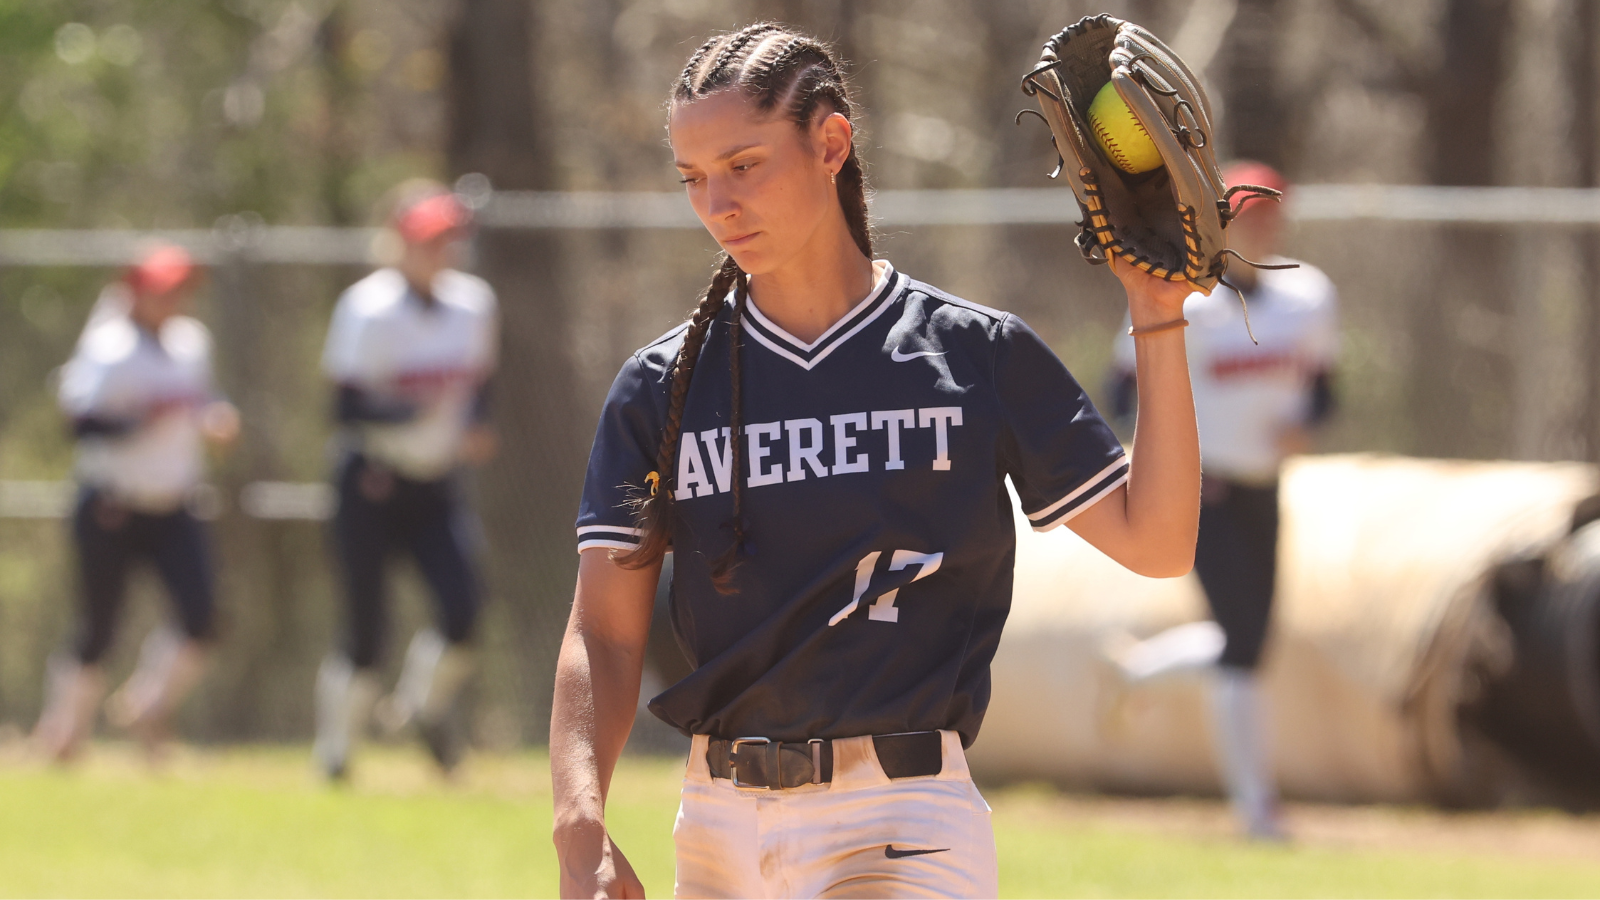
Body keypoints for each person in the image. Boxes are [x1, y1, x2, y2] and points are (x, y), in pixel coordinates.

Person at [551, 24, 1200, 899]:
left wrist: (1158, 316)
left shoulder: (973, 355)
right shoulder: (663, 387)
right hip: (719, 827)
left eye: (744, 164)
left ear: (830, 143)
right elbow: (606, 632)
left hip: (903, 821)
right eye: (694, 178)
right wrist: (579, 826)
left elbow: (1157, 542)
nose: (718, 204)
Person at [1106, 161, 1340, 839]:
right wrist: (1162, 466)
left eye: (1272, 214)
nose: (1262, 227)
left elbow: (1325, 387)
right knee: (1242, 644)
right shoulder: (1181, 293)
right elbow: (1122, 393)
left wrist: (1308, 423)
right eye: (1248, 215)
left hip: (1264, 483)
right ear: (1220, 222)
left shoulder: (1308, 295)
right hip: (1203, 490)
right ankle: (1255, 809)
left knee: (1251, 640)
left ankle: (1138, 672)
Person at [312, 182, 499, 781]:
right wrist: (410, 412)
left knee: (464, 607)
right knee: (365, 628)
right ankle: (337, 753)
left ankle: (423, 708)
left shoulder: (473, 303)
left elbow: (481, 382)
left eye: (447, 239)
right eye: (426, 240)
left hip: (435, 481)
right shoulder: (368, 308)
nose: (439, 251)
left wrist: (475, 422)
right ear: (398, 243)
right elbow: (342, 407)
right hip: (370, 479)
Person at [32, 244, 239, 762]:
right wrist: (143, 418)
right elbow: (80, 423)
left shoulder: (192, 343)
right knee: (98, 625)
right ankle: (63, 734)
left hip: (174, 502)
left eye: (181, 290)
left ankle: (147, 708)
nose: (175, 300)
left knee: (202, 616)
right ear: (135, 293)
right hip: (112, 504)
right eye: (163, 290)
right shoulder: (110, 347)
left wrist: (213, 420)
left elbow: (199, 406)